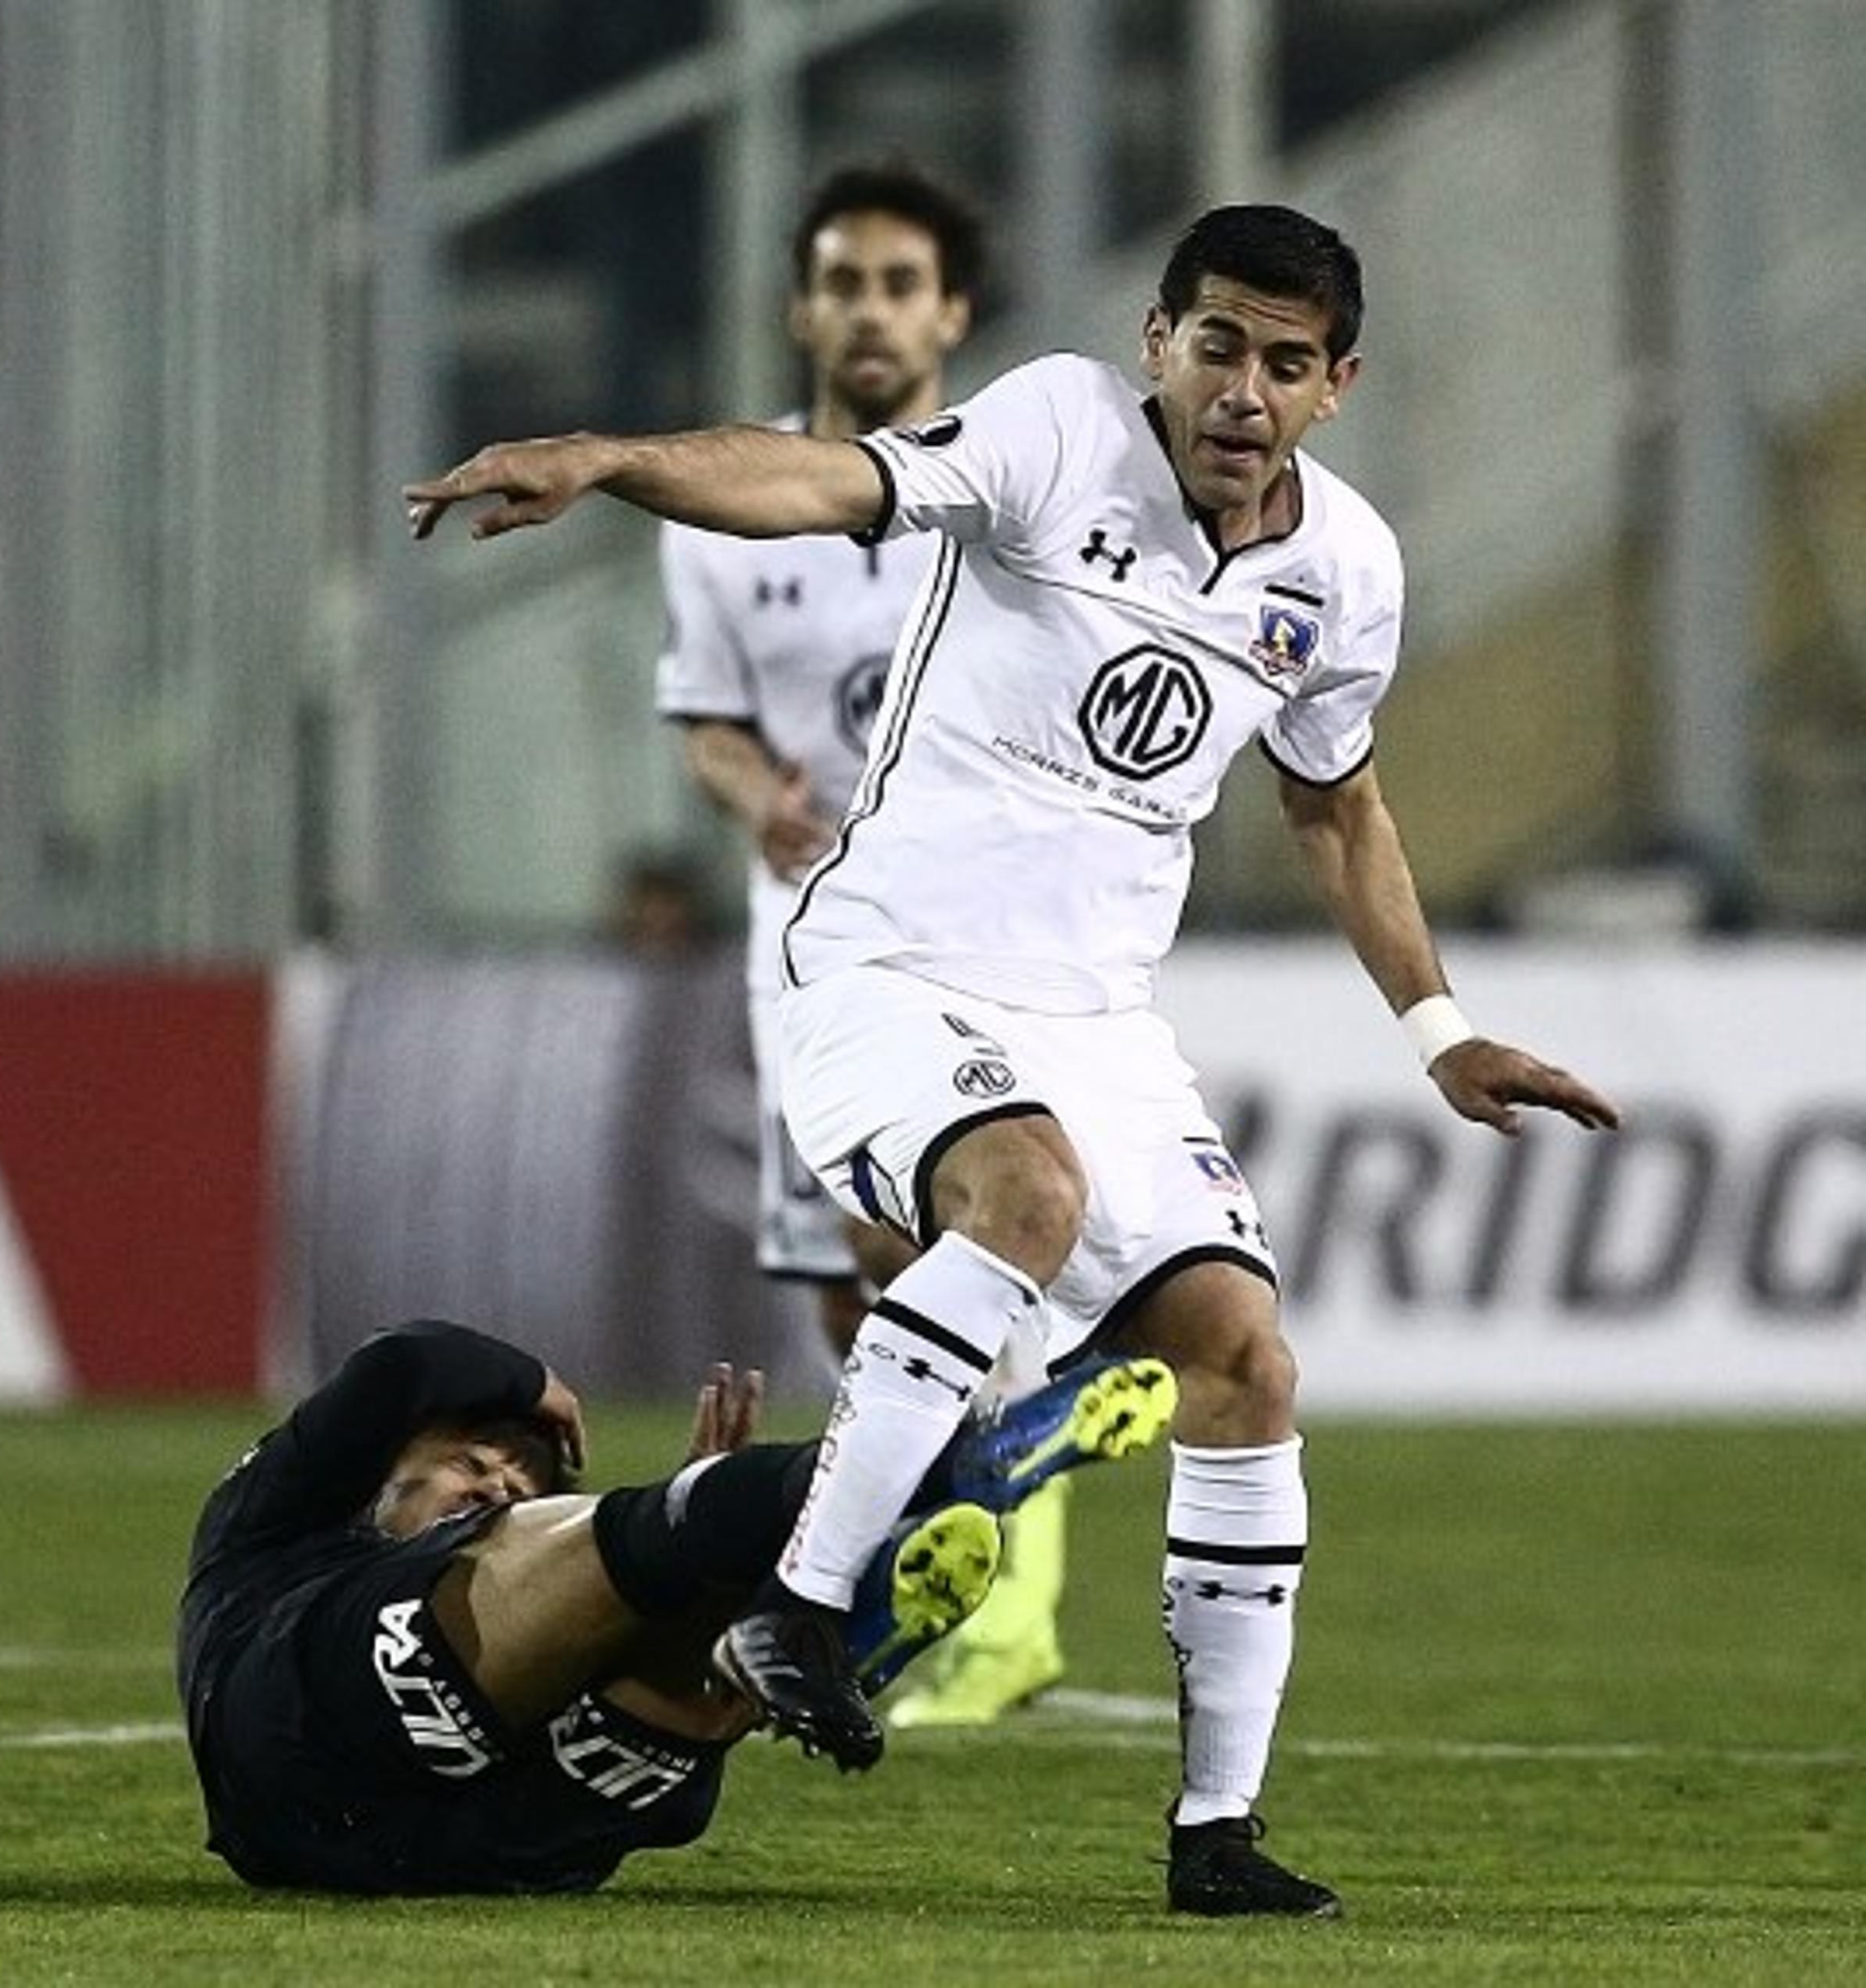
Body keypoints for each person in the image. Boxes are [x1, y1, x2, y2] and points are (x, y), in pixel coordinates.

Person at [407, 203, 1623, 1917]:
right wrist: (612, 459)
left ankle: (1214, 1835)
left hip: (1097, 1019)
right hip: (889, 963)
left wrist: (1438, 1026)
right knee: (1025, 1190)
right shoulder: (1053, 428)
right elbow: (819, 481)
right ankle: (809, 1601)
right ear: (1157, 341)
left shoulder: (1345, 572)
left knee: (1243, 1358)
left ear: (1336, 386)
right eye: (1217, 346)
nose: (1242, 393)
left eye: (1286, 363)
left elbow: (1335, 805)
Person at [650, 161, 1071, 1731]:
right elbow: (705, 719)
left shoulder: (1019, 496)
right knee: (843, 1283)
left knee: (940, 1241)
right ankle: (925, 1561)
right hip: (805, 944)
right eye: (842, 281)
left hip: (973, 940)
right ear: (800, 305)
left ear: (952, 311)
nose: (870, 311)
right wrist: (752, 789)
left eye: (900, 284)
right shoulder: (725, 508)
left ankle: (1002, 1594)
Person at [178, 1318, 1174, 1896]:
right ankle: (927, 1492)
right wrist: (535, 1386)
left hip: (495, 1839)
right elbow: (400, 1369)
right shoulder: (273, 1542)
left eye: (514, 1477)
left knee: (691, 1653)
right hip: (295, 1732)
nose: (494, 1483)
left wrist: (691, 1558)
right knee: (614, 1550)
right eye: (470, 1460)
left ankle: (798, 1603)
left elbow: (672, 1795)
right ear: (388, 1470)